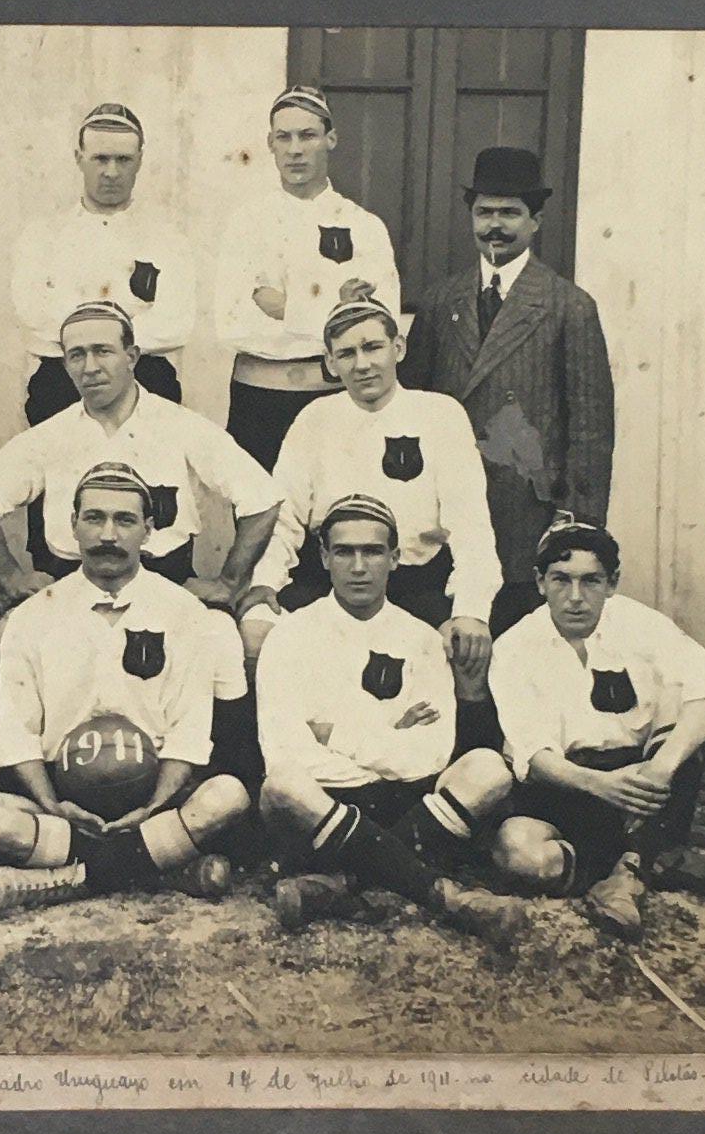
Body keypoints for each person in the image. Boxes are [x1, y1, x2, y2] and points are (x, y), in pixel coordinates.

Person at [0, 466, 253, 916]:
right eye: (94, 518)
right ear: (73, 525)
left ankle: (72, 877)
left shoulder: (184, 613)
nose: (108, 534)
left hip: (154, 795)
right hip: (63, 798)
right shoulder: (33, 617)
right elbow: (17, 734)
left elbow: (189, 730)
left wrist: (156, 804)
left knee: (228, 796)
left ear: (149, 529)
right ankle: (159, 865)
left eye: (124, 520)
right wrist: (52, 804)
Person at [254, 493, 513, 926]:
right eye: (344, 551)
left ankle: (339, 883)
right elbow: (286, 752)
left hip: (398, 802)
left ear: (395, 558)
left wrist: (336, 735)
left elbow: (430, 755)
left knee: (489, 769)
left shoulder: (421, 639)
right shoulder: (289, 635)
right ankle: (444, 895)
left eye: (372, 551)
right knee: (283, 785)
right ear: (323, 556)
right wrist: (392, 735)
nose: (359, 567)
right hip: (323, 805)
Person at [481, 519, 705, 935]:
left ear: (613, 582)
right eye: (560, 580)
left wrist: (659, 769)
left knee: (682, 699)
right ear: (539, 581)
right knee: (515, 851)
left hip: (646, 783)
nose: (575, 598)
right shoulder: (514, 647)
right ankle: (634, 866)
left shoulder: (640, 623)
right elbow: (535, 757)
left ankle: (627, 873)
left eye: (591, 581)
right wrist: (602, 785)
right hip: (570, 786)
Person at [244, 301, 498, 701]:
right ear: (330, 363)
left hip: (415, 585)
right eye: (346, 353)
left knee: (468, 654)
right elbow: (285, 518)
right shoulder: (315, 419)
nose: (362, 364)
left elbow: (471, 525)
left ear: (398, 348)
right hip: (330, 584)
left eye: (372, 347)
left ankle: (464, 762)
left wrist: (471, 608)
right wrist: (263, 587)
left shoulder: (440, 415)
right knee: (260, 637)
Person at [401, 147, 616, 610]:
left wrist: (576, 527)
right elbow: (410, 404)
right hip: (447, 508)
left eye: (510, 213)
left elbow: (590, 432)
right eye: (484, 212)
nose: (494, 225)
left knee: (520, 637)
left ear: (535, 221)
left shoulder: (568, 306)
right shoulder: (441, 303)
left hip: (527, 512)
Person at [0, 305, 275, 610]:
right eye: (77, 355)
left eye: (103, 351)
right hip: (70, 590)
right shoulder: (50, 435)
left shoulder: (182, 426)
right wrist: (10, 576)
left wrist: (229, 582)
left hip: (164, 588)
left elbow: (262, 498)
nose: (90, 367)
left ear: (131, 357)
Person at [210, 85, 405, 468]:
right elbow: (232, 327)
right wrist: (334, 311)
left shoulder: (364, 227)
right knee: (262, 521)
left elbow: (381, 327)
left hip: (335, 399)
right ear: (270, 143)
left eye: (308, 135)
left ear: (330, 139)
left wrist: (285, 309)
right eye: (284, 137)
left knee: (340, 520)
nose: (295, 149)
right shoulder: (246, 224)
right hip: (259, 405)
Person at [6, 103, 196, 416]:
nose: (111, 172)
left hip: (146, 378)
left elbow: (177, 323)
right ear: (79, 158)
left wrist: (88, 334)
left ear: (140, 161)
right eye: (100, 159)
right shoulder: (42, 237)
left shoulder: (167, 239)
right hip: (62, 381)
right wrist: (116, 335)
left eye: (123, 160)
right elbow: (33, 315)